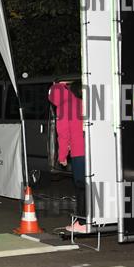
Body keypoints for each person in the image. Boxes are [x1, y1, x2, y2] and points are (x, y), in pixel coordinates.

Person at [48, 80, 86, 233]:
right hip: (94, 150)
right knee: (94, 186)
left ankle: (83, 222)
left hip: (79, 152)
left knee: (81, 186)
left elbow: (63, 134)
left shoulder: (64, 107)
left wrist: (62, 155)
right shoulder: (82, 101)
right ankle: (96, 218)